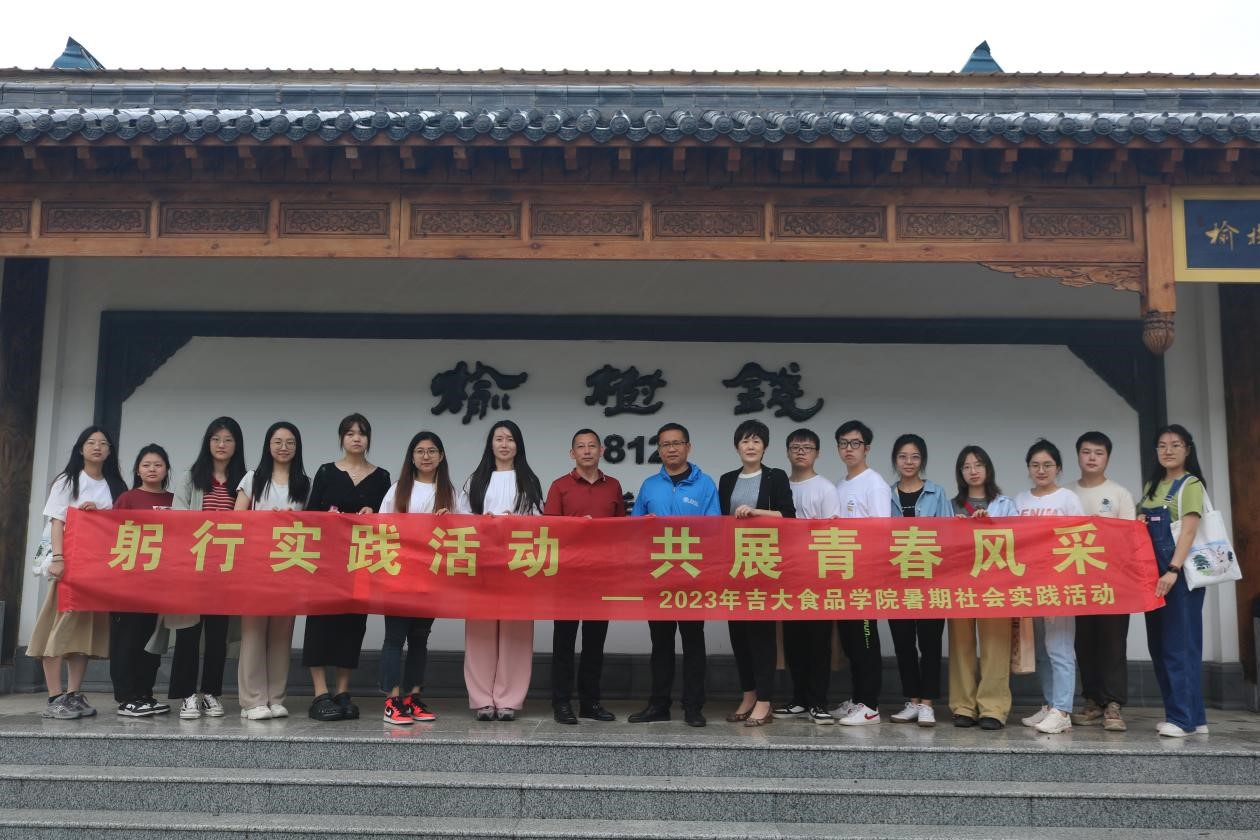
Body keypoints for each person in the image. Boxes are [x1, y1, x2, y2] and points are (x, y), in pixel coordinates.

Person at [28, 426, 128, 720]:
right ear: (80, 448)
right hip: (71, 563)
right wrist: (59, 558)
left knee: (83, 633)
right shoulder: (68, 480)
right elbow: (57, 521)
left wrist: (100, 513)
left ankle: (73, 694)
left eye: (103, 443)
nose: (97, 447)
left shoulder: (115, 485)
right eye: (91, 442)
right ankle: (54, 696)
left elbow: (120, 525)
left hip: (97, 568)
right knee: (59, 626)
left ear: (110, 451)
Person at [628, 422, 720, 728]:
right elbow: (634, 530)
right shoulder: (649, 485)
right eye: (665, 444)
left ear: (688, 447)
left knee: (694, 643)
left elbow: (714, 529)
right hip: (659, 575)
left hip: (692, 575)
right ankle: (659, 705)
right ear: (659, 449)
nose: (671, 449)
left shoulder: (705, 484)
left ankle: (693, 706)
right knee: (661, 644)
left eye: (677, 443)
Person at [303, 413, 391, 723]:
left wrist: (373, 515)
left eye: (362, 433)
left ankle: (342, 691)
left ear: (369, 439)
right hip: (326, 561)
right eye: (350, 433)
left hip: (360, 561)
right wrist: (327, 518)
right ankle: (319, 693)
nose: (356, 438)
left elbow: (389, 520)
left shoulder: (381, 476)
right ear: (341, 438)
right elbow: (309, 517)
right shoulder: (326, 471)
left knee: (353, 625)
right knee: (319, 624)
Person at [458, 419, 544, 721]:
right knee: (479, 634)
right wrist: (486, 523)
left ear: (518, 445)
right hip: (482, 566)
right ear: (490, 444)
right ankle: (482, 699)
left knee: (516, 634)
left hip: (518, 566)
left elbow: (540, 522)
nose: (504, 444)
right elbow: (462, 519)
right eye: (499, 439)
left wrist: (515, 522)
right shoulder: (475, 480)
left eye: (510, 439)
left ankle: (509, 699)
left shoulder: (529, 481)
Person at [543, 429, 625, 725]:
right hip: (567, 576)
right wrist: (576, 526)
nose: (587, 451)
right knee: (564, 642)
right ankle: (561, 702)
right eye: (581, 446)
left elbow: (622, 529)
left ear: (601, 451)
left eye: (592, 446)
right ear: (572, 453)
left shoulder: (613, 486)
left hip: (601, 576)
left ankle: (590, 702)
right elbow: (549, 530)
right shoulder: (560, 486)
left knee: (594, 643)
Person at [718, 420, 795, 727]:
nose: (750, 446)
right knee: (738, 635)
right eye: (745, 441)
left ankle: (765, 700)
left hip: (763, 565)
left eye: (756, 441)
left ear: (765, 447)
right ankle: (748, 695)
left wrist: (755, 512)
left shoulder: (775, 476)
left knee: (761, 635)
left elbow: (789, 516)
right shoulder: (727, 480)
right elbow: (720, 522)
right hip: (735, 567)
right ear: (736, 446)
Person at [169, 416, 246, 720]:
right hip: (193, 567)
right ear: (207, 443)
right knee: (187, 633)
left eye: (228, 439)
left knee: (218, 635)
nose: (221, 445)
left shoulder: (243, 480)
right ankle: (187, 695)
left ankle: (211, 693)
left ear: (237, 445)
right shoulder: (191, 477)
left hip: (226, 570)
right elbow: (177, 517)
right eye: (216, 439)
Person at [234, 421, 310, 721]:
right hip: (255, 565)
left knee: (281, 633)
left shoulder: (304, 483)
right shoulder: (254, 478)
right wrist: (267, 519)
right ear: (268, 445)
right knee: (253, 632)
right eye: (277, 441)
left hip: (289, 565)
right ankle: (252, 700)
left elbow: (313, 524)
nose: (283, 447)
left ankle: (276, 697)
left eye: (290, 442)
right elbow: (237, 519)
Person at [378, 431, 452, 725]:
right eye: (420, 451)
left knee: (420, 639)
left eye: (432, 451)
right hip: (398, 575)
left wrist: (448, 522)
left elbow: (463, 535)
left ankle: (413, 697)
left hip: (430, 578)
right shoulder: (397, 490)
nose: (426, 456)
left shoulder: (449, 493)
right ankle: (392, 701)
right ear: (411, 457)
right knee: (395, 638)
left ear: (441, 456)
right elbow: (382, 529)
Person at [1140, 424, 1209, 737]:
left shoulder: (1190, 484)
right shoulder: (1151, 486)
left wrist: (1173, 570)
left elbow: (1189, 531)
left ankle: (1181, 720)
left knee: (1179, 647)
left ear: (1187, 450)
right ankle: (1194, 717)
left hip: (1178, 576)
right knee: (1160, 646)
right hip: (1152, 577)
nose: (1168, 450)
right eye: (1162, 445)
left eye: (1175, 445)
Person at [1015, 438, 1084, 735]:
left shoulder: (1068, 498)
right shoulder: (1020, 500)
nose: (1041, 470)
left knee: (1060, 648)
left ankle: (1063, 710)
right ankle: (1049, 704)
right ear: (1028, 469)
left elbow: (1081, 539)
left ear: (1058, 468)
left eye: (1047, 465)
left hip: (1059, 583)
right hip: (1030, 583)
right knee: (1041, 650)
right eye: (1035, 465)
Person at [947, 445, 1019, 731]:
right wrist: (955, 528)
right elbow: (940, 545)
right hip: (959, 584)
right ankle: (963, 706)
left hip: (995, 586)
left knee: (995, 646)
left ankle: (993, 708)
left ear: (988, 468)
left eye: (978, 465)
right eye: (966, 466)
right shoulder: (950, 506)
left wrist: (990, 524)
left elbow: (1019, 540)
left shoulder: (1006, 504)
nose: (973, 471)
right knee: (961, 646)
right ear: (960, 473)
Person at [1070, 431, 1137, 732]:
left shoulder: (1120, 494)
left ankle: (1113, 704)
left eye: (1099, 452)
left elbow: (1129, 538)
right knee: (1083, 643)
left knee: (1113, 642)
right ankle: (1092, 701)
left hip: (1113, 582)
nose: (1092, 458)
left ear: (1107, 457)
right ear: (1078, 456)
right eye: (1086, 452)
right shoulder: (1068, 493)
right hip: (1076, 581)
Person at [886, 434, 953, 727]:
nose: (908, 462)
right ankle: (912, 701)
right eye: (903, 456)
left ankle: (927, 703)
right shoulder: (886, 494)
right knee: (903, 642)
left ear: (922, 460)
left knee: (930, 643)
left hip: (930, 580)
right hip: (896, 580)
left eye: (914, 456)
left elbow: (949, 534)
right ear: (895, 460)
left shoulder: (936, 493)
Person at [778, 428, 840, 725]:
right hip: (788, 576)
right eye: (795, 447)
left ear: (817, 453)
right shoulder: (780, 487)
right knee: (793, 641)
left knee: (818, 642)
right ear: (787, 452)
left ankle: (819, 701)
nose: (801, 452)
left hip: (817, 577)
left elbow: (832, 534)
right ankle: (799, 698)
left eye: (807, 447)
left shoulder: (825, 488)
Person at [832, 420, 890, 726]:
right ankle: (857, 699)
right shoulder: (840, 485)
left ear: (866, 448)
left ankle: (870, 705)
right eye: (843, 443)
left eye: (855, 443)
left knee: (866, 639)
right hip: (844, 574)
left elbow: (881, 533)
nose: (849, 449)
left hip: (865, 576)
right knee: (852, 641)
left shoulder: (874, 483)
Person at [110, 444, 174, 717]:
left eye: (158, 465)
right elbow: (111, 533)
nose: (152, 469)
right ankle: (126, 697)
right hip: (130, 584)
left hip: (160, 584)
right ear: (138, 470)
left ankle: (145, 694)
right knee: (128, 640)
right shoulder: (127, 498)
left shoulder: (175, 500)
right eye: (146, 465)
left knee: (152, 641)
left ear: (166, 470)